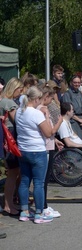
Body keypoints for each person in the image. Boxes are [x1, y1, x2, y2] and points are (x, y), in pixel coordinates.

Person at [16, 86, 55, 224]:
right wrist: (52, 119)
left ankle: (24, 211)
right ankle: (39, 213)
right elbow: (49, 133)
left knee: (25, 181)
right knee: (39, 183)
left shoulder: (19, 111)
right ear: (36, 99)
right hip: (37, 150)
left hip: (23, 149)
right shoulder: (36, 113)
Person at [37, 85, 63, 218]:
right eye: (51, 99)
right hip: (45, 147)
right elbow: (49, 131)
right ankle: (43, 206)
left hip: (49, 144)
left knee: (43, 179)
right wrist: (59, 121)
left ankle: (43, 205)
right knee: (43, 180)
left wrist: (55, 140)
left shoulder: (41, 109)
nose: (52, 101)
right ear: (45, 97)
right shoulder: (42, 110)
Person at [0, 77, 24, 216]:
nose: (20, 93)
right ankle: (8, 204)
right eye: (20, 90)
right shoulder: (9, 102)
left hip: (6, 140)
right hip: (11, 139)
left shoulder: (2, 100)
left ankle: (10, 202)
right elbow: (18, 121)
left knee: (12, 172)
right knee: (13, 173)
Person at [61, 76, 82, 140]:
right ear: (71, 83)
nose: (77, 84)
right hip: (73, 121)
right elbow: (68, 111)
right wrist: (79, 120)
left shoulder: (80, 93)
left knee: (80, 140)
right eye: (75, 82)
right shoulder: (67, 94)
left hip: (81, 121)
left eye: (79, 82)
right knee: (75, 140)